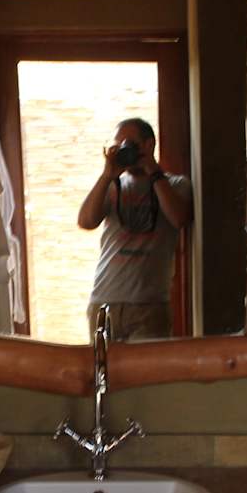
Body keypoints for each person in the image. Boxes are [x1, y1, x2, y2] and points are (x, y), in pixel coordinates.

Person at [76, 118, 193, 341]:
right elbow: (86, 221)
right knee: (103, 364)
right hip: (105, 300)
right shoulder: (113, 185)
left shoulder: (176, 184)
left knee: (148, 364)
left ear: (149, 145)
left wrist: (152, 169)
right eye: (119, 146)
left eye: (129, 144)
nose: (124, 151)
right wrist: (107, 175)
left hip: (149, 306)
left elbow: (179, 218)